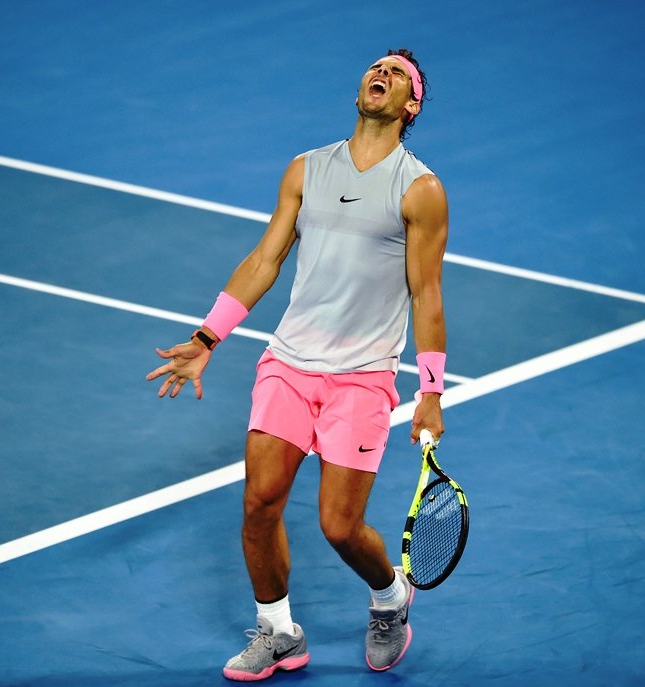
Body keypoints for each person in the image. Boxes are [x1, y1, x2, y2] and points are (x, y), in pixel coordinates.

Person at [147, 48, 448, 681]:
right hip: (287, 363)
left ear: (410, 104)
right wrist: (207, 339)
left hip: (364, 376)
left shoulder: (420, 190)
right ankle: (278, 631)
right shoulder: (306, 169)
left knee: (340, 527)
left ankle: (391, 595)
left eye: (398, 74)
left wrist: (430, 391)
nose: (381, 75)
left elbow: (427, 293)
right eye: (377, 67)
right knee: (260, 504)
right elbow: (264, 260)